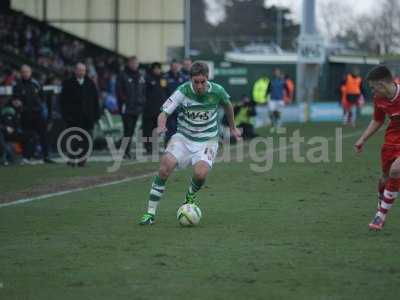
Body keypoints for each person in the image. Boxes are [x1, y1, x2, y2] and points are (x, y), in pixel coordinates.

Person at [139, 61, 242, 225]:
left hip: (208, 140)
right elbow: (164, 113)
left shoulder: (217, 91)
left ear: (207, 79)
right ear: (190, 80)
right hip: (184, 138)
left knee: (201, 174)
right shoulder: (182, 91)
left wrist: (233, 127)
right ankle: (150, 214)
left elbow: (228, 106)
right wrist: (161, 125)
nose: (200, 86)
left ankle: (190, 196)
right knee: (165, 167)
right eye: (196, 82)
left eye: (203, 81)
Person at [354, 65, 400, 231]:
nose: (372, 92)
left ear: (382, 84)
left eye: (373, 88)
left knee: (396, 171)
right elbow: (377, 120)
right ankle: (383, 198)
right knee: (385, 178)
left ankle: (380, 216)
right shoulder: (379, 100)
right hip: (391, 142)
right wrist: (362, 139)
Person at [60, 62, 100, 167]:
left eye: (83, 70)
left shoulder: (90, 84)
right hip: (73, 118)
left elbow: (95, 101)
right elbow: (63, 102)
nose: (82, 72)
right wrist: (66, 116)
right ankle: (72, 159)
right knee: (73, 139)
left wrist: (96, 116)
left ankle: (83, 160)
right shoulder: (68, 83)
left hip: (88, 118)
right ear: (75, 71)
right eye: (80, 70)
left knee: (87, 140)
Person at [13, 64, 54, 163]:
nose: (25, 74)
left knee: (43, 135)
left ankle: (46, 157)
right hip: (25, 114)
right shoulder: (17, 86)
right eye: (23, 72)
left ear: (30, 72)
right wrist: (16, 103)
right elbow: (14, 100)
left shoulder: (36, 83)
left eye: (27, 72)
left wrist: (41, 108)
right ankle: (26, 157)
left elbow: (42, 97)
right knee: (27, 136)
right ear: (20, 73)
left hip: (37, 113)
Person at [116, 56, 146, 159]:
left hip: (137, 108)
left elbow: (143, 90)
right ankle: (124, 151)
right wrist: (125, 101)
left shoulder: (140, 76)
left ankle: (123, 148)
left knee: (131, 130)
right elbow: (119, 91)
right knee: (127, 130)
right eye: (133, 63)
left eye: (136, 63)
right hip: (127, 107)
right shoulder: (122, 75)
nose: (134, 65)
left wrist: (142, 101)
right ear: (128, 63)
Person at [142, 62, 167, 154]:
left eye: (158, 68)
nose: (157, 70)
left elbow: (165, 91)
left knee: (157, 130)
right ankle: (148, 147)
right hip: (148, 109)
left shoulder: (163, 78)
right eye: (155, 68)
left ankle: (154, 146)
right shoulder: (147, 79)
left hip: (159, 109)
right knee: (147, 130)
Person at [164, 59, 186, 145]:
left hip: (181, 106)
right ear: (171, 66)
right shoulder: (165, 77)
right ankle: (168, 145)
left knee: (180, 127)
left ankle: (178, 146)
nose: (175, 67)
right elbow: (163, 92)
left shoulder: (183, 77)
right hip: (169, 105)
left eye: (177, 65)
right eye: (174, 65)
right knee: (170, 127)